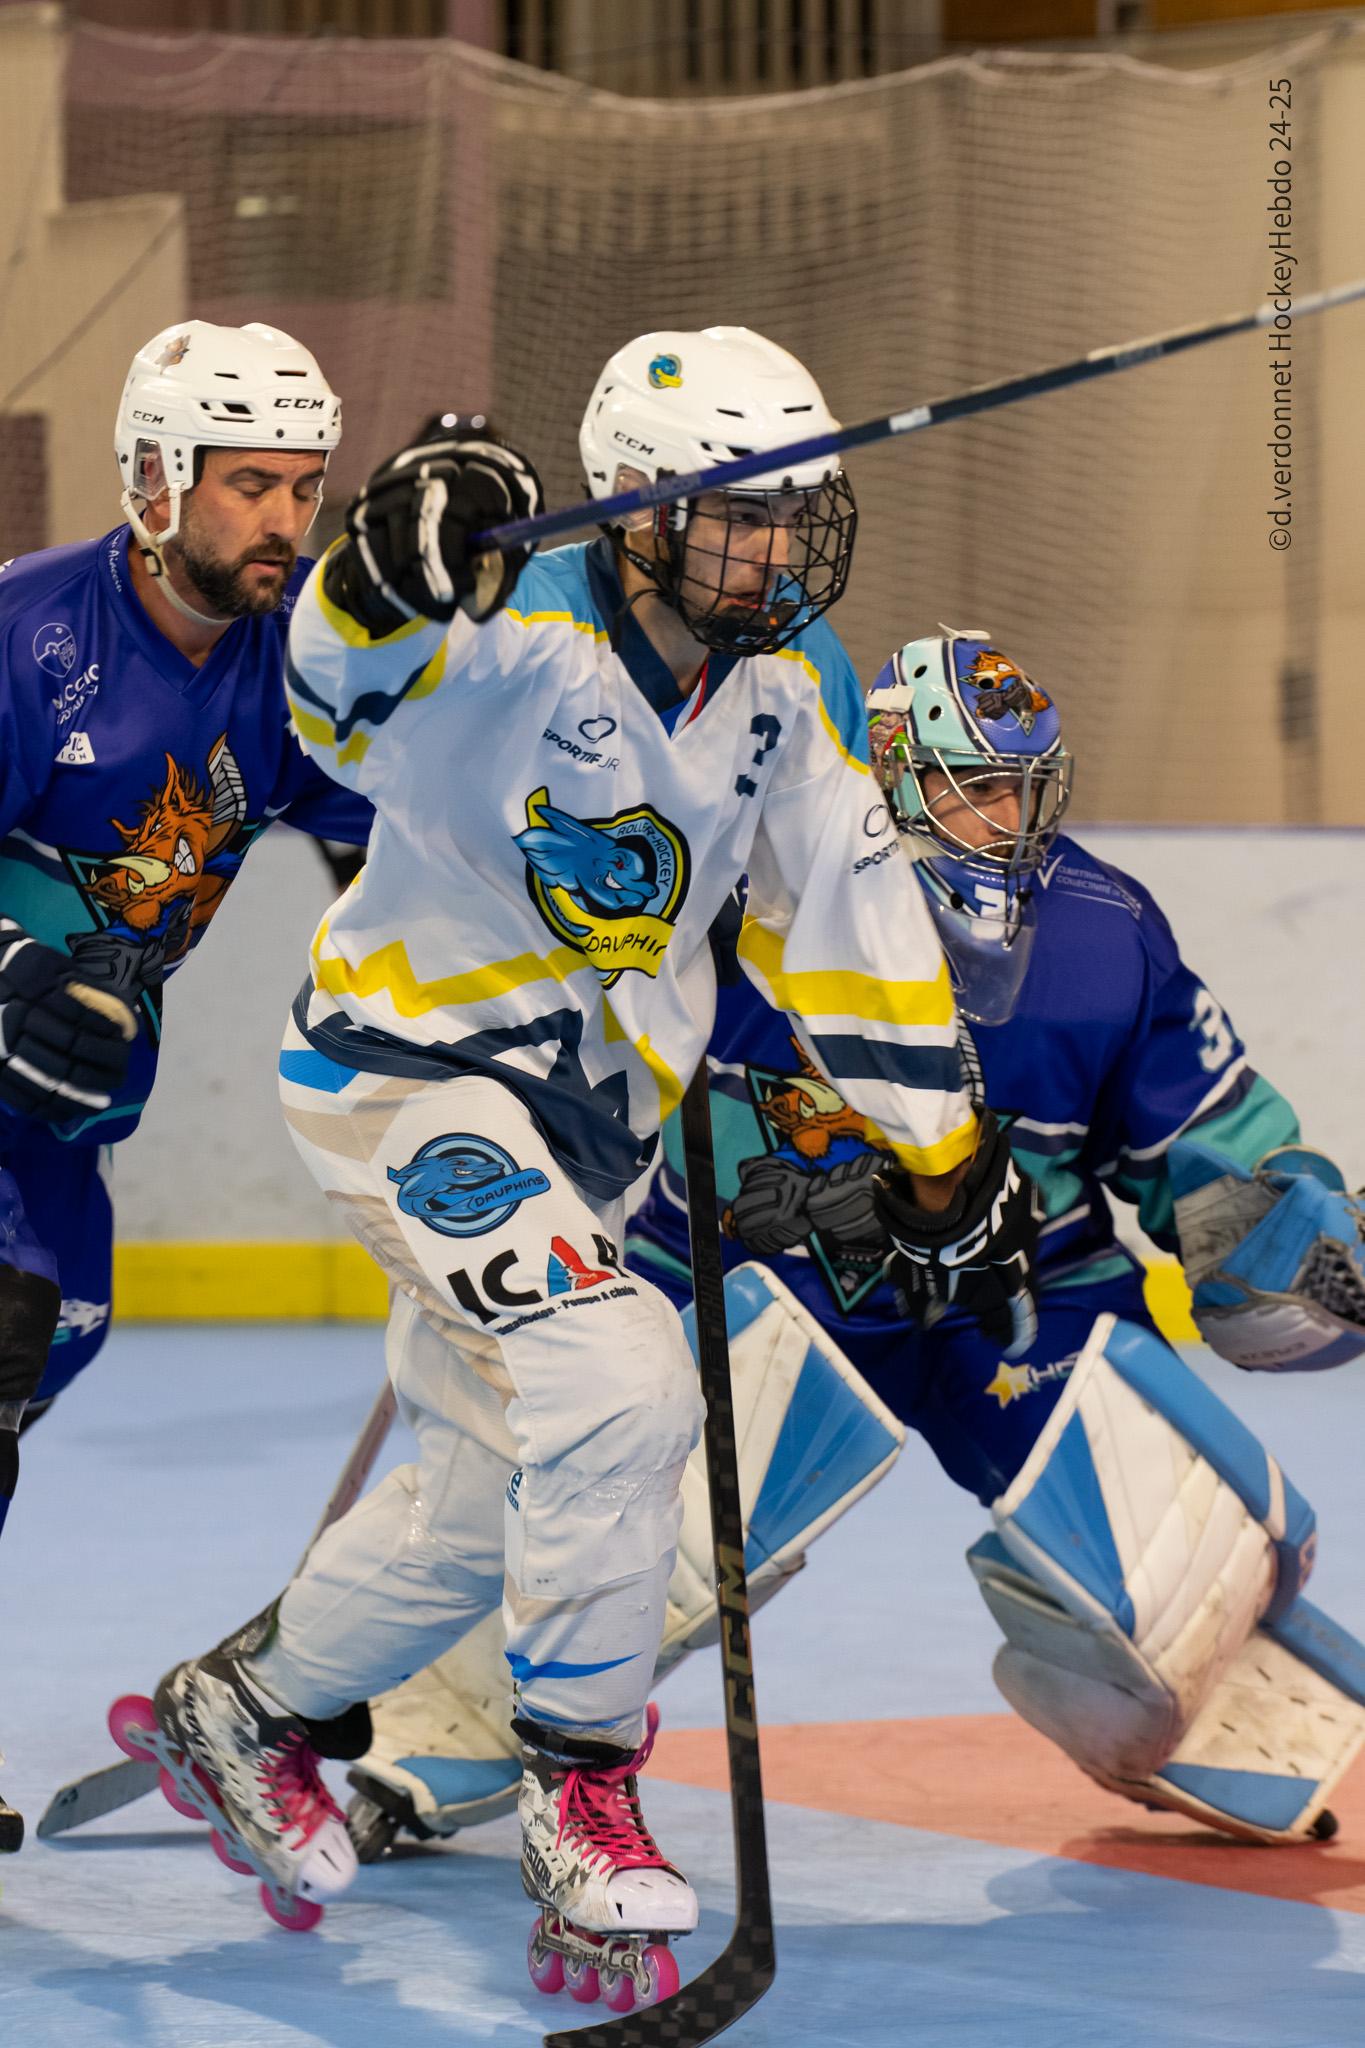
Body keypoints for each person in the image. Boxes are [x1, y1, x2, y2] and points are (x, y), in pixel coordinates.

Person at [142, 329, 1039, 2004]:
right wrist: (388, 558)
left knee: (486, 1499)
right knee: (621, 1379)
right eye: (738, 517)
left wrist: (944, 1155)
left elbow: (850, 935)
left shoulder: (794, 685)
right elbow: (336, 696)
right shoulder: (521, 619)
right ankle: (583, 1788)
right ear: (636, 505)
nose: (773, 551)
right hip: (412, 1081)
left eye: (795, 517)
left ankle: (241, 1710)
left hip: (586, 1131)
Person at [346, 626, 1365, 1862]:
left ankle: (1205, 1703)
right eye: (980, 788)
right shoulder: (724, 892)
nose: (1016, 819)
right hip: (767, 1287)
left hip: (1023, 1295)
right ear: (889, 781)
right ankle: (439, 1703)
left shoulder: (1103, 932)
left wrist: (1275, 1220)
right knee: (639, 1534)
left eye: (1029, 786)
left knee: (1184, 1582)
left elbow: (1209, 1134)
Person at [0, 318, 371, 1847]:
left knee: (23, 1380)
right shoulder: (32, 638)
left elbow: (385, 842)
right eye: (249, 486)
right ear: (157, 481)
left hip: (61, 1128)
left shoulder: (291, 668)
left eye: (306, 487)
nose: (286, 520)